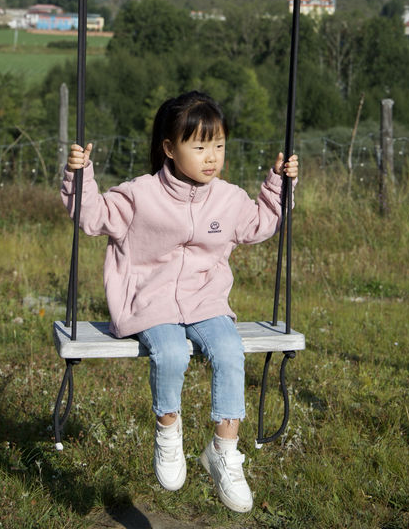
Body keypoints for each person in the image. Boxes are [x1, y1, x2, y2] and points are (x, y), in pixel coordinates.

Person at [61, 90, 298, 514]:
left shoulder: (227, 198)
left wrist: (279, 182)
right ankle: (168, 430)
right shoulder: (140, 195)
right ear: (170, 149)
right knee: (169, 351)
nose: (212, 157)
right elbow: (92, 216)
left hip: (206, 301)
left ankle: (224, 451)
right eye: (200, 145)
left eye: (219, 145)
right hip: (150, 301)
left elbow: (261, 223)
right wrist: (80, 176)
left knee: (229, 350)